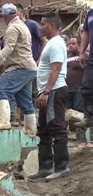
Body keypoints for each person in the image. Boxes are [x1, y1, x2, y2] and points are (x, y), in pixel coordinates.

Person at [0, 4, 37, 136]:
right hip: (29, 67)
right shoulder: (23, 26)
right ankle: (31, 131)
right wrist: (3, 65)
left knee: (0, 90)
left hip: (19, 66)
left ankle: (4, 121)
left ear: (4, 16)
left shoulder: (12, 28)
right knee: (25, 101)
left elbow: (9, 48)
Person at [29, 13, 69, 180]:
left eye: (43, 24)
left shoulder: (56, 44)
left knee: (56, 126)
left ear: (52, 25)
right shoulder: (50, 43)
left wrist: (46, 91)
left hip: (53, 91)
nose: (40, 27)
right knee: (44, 129)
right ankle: (45, 167)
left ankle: (61, 167)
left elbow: (56, 69)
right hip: (47, 91)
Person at [75, 10, 93, 128]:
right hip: (92, 56)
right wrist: (81, 52)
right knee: (87, 86)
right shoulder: (90, 13)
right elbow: (86, 32)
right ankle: (89, 117)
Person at [66, 36, 84, 112]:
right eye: (69, 44)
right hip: (68, 89)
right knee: (68, 113)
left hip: (78, 90)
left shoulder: (83, 56)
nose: (71, 45)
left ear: (78, 45)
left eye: (73, 43)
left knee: (78, 112)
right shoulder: (66, 57)